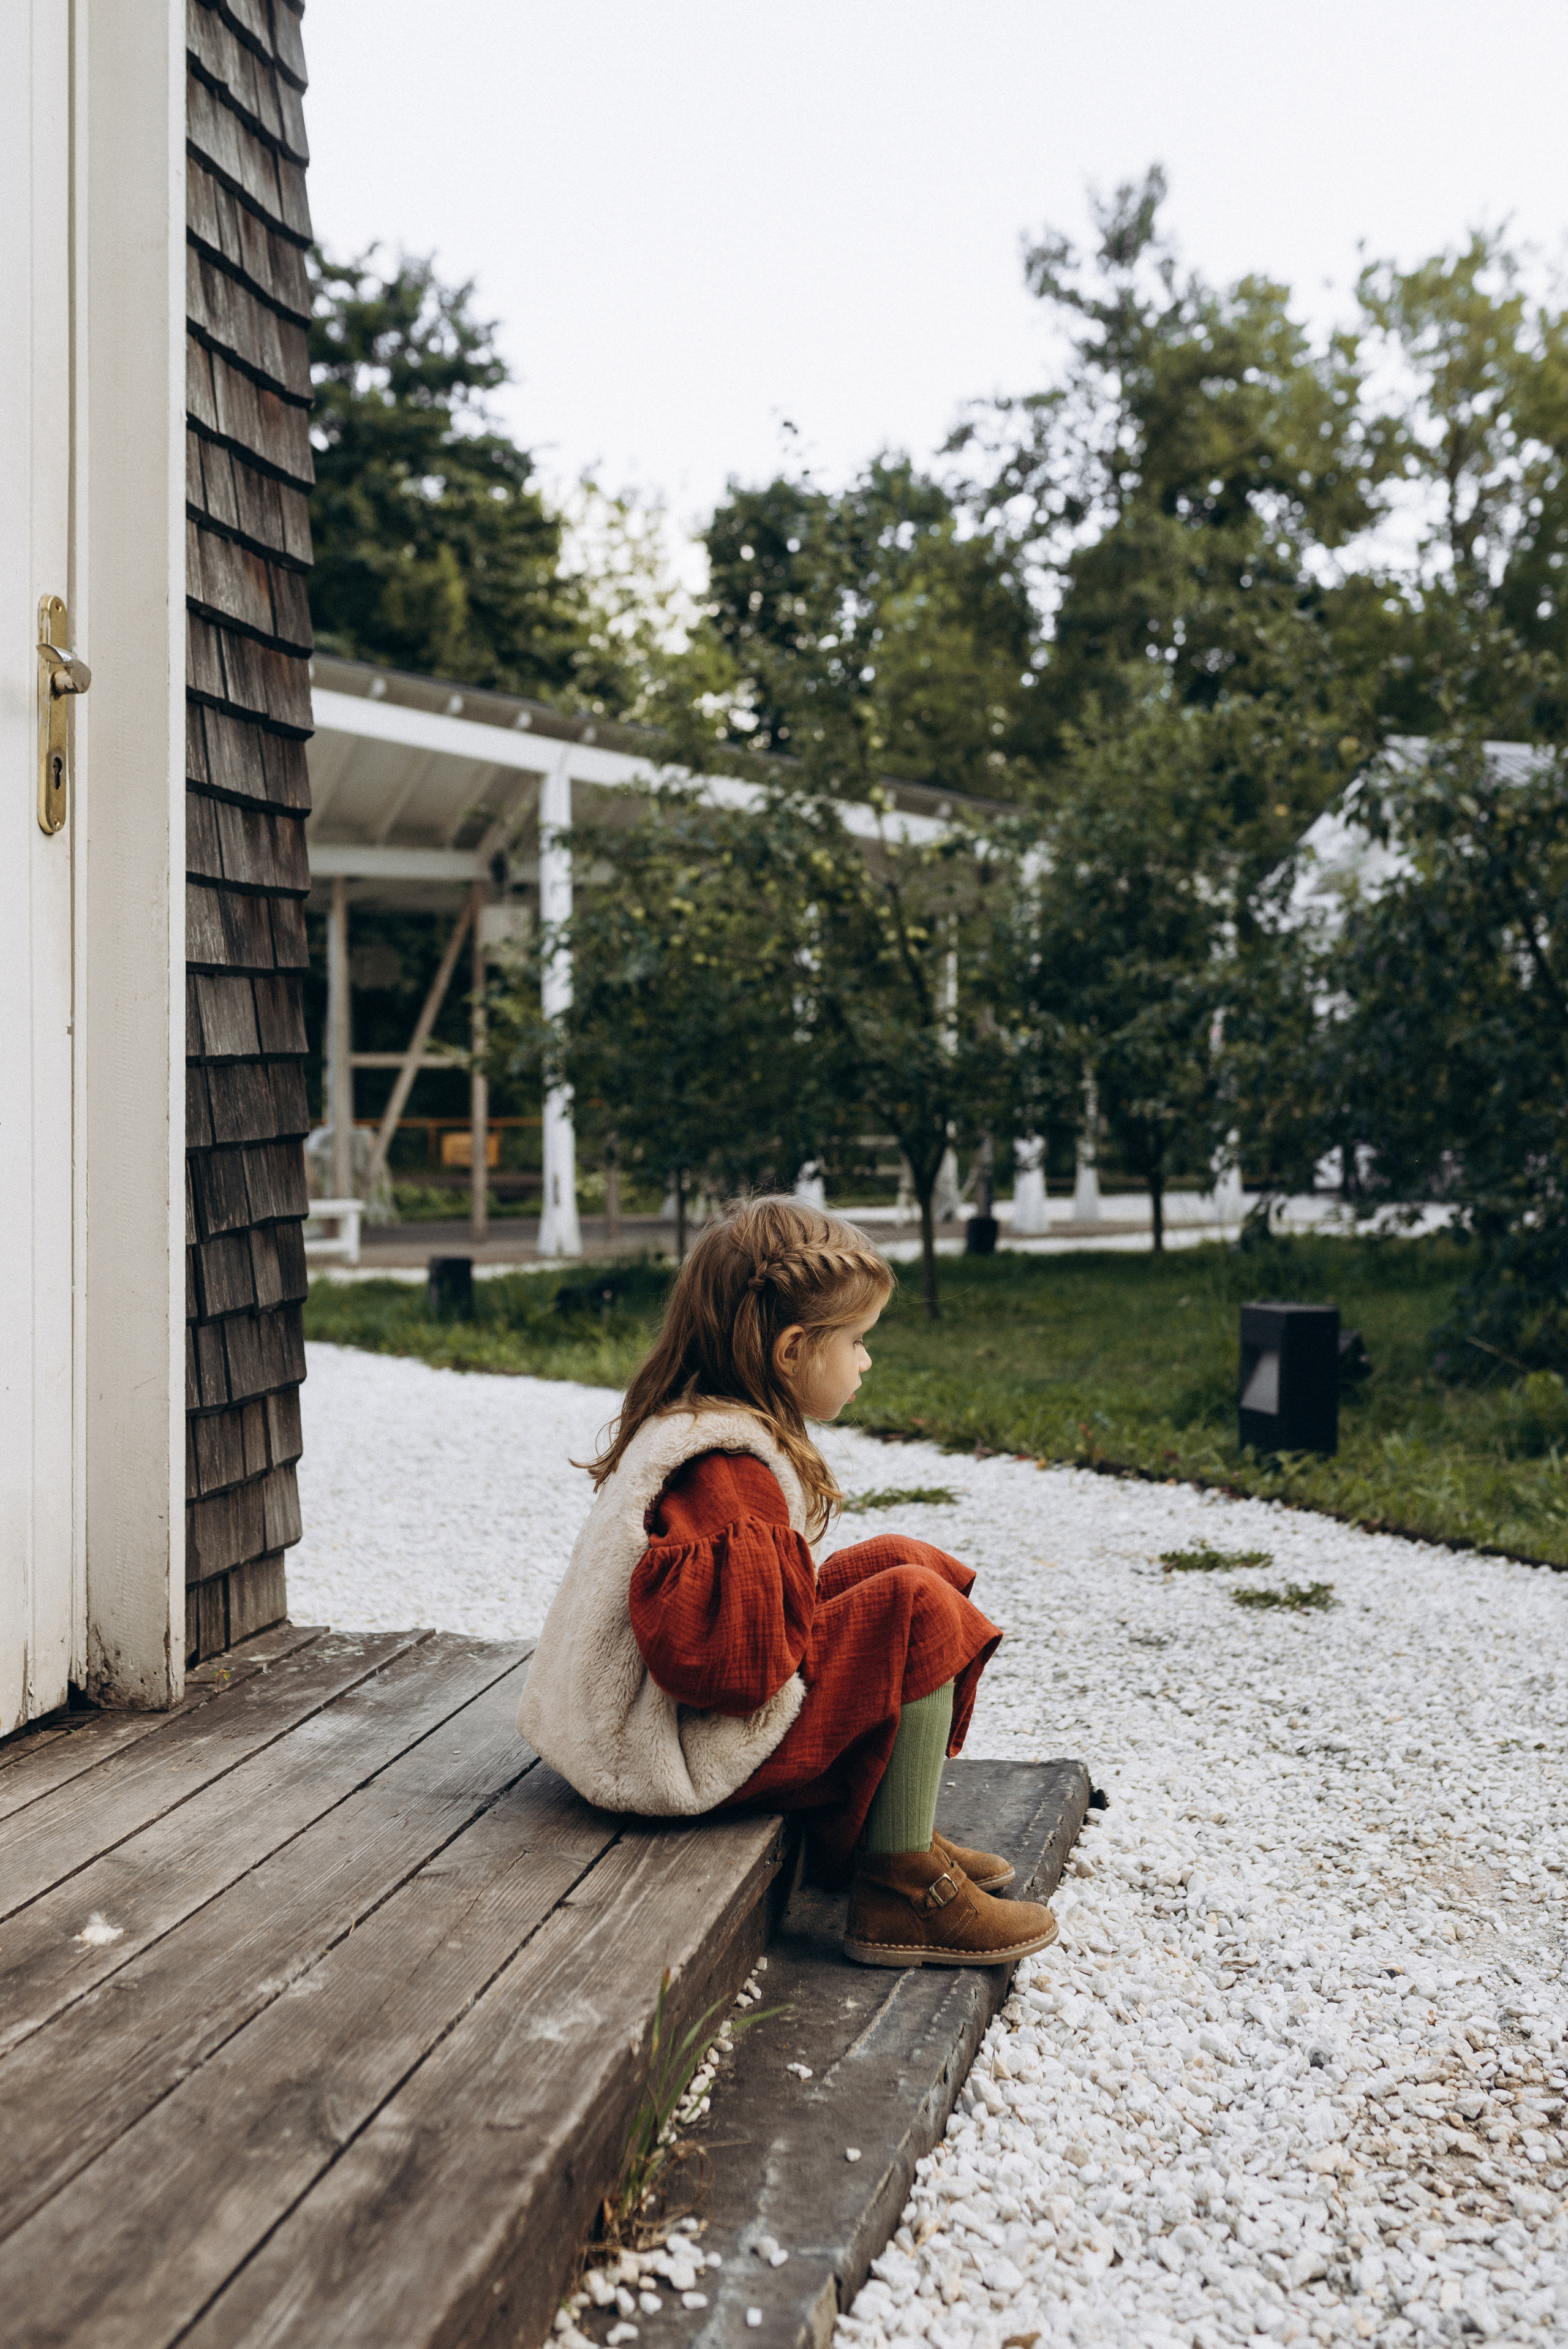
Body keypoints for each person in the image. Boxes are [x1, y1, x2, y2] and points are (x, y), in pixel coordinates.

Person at [517, 1196, 1057, 1968]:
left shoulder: (701, 1421)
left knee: (901, 1561)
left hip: (645, 1723)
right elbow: (731, 1678)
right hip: (665, 1754)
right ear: (793, 1349)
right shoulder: (731, 1473)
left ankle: (893, 1819)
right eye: (857, 1341)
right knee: (914, 1608)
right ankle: (899, 1886)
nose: (866, 1361)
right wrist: (835, 1642)